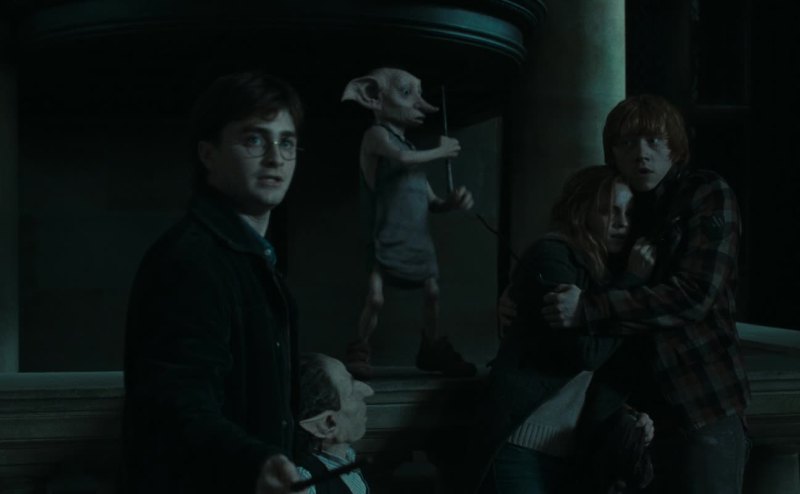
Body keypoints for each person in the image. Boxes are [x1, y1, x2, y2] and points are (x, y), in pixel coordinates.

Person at [542, 95, 751, 493]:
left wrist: (589, 309)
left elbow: (695, 295)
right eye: (627, 143)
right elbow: (576, 261)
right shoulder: (618, 204)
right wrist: (523, 298)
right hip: (634, 410)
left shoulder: (705, 192)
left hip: (701, 402)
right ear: (613, 153)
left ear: (674, 147)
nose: (641, 154)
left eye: (654, 141)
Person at [122, 71, 307, 494]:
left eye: (287, 142)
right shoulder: (192, 259)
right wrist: (255, 462)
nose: (276, 159)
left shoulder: (254, 258)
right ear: (208, 153)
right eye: (254, 139)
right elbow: (176, 404)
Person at [465, 166, 656, 494]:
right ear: (582, 211)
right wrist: (631, 284)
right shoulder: (553, 254)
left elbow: (603, 369)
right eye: (608, 210)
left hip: (567, 451)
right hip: (521, 442)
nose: (622, 222)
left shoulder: (603, 271)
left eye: (628, 212)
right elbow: (586, 353)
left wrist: (627, 413)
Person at [340, 67, 477, 379]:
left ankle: (430, 347)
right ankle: (360, 349)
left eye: (419, 93)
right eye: (405, 93)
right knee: (375, 297)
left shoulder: (413, 148)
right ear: (373, 97)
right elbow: (400, 160)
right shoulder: (377, 136)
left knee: (432, 293)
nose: (419, 103)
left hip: (417, 239)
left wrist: (452, 202)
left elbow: (431, 201)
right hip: (385, 234)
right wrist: (441, 151)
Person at [295, 353, 375, 494]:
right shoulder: (304, 481)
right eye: (350, 393)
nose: (367, 391)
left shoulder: (347, 458)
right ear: (325, 424)